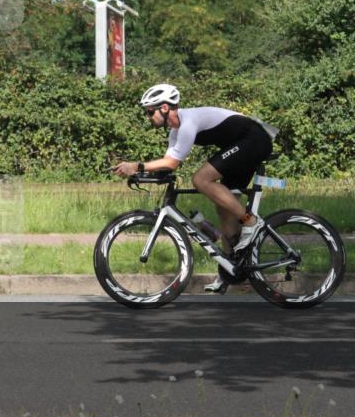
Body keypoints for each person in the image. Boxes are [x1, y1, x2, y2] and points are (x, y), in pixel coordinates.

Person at [111, 83, 276, 292]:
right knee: (224, 210)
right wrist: (141, 173)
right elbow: (167, 162)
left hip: (254, 140)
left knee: (200, 179)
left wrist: (137, 166)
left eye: (150, 111)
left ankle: (250, 221)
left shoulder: (188, 122)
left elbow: (172, 163)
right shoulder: (175, 131)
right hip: (239, 145)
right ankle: (231, 273)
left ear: (164, 108)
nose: (148, 116)